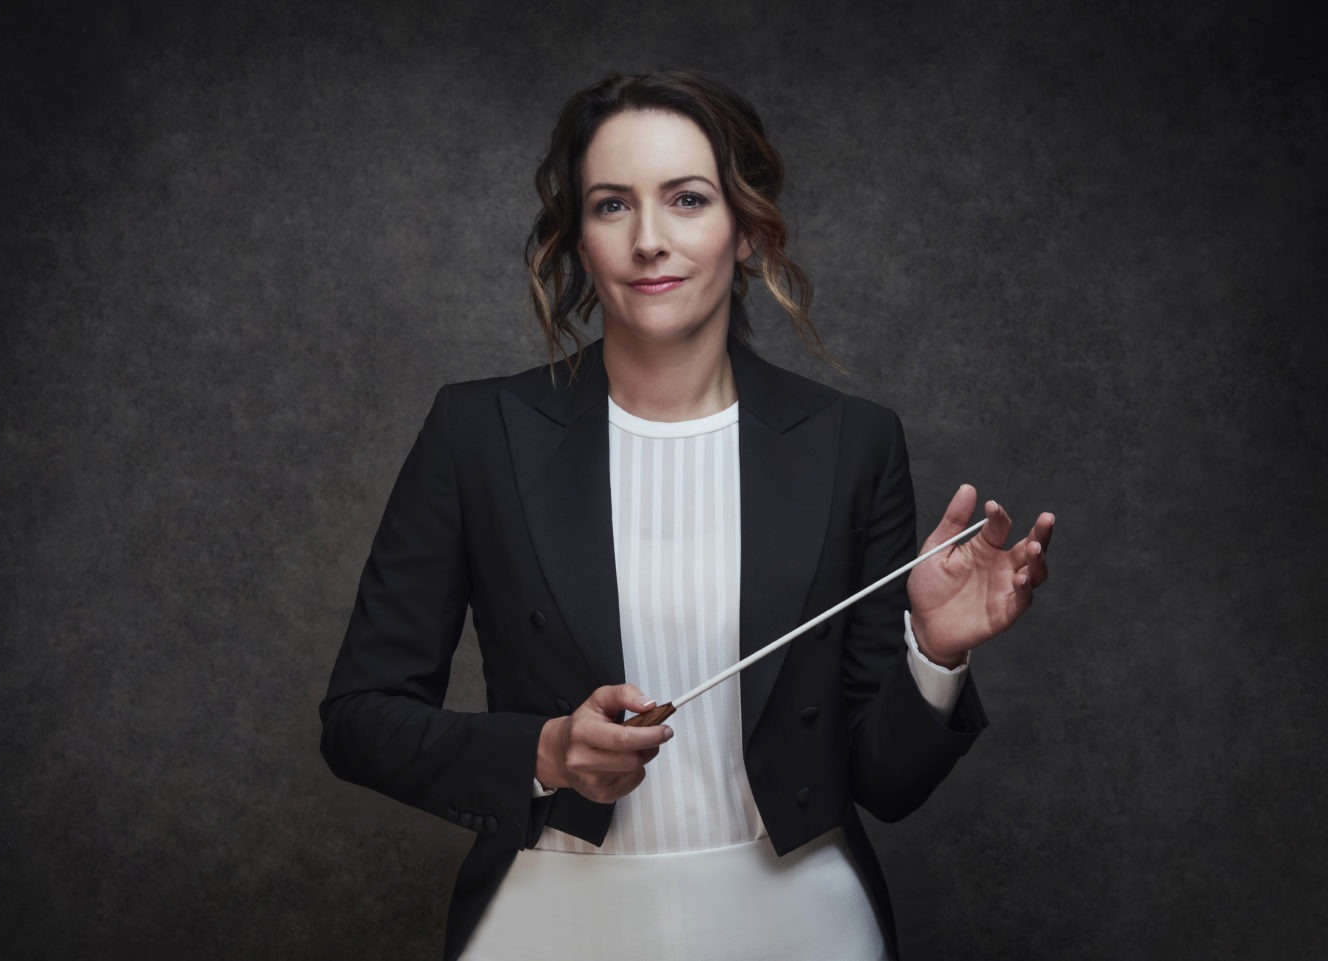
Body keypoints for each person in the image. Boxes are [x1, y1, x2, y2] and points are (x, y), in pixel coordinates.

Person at [320, 70, 1054, 961]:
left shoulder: (852, 443)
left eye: (687, 199)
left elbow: (886, 783)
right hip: (550, 920)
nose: (649, 240)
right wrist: (544, 752)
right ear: (580, 238)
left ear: (746, 230)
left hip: (801, 923)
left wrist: (933, 653)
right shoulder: (477, 433)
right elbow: (358, 719)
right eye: (612, 205)